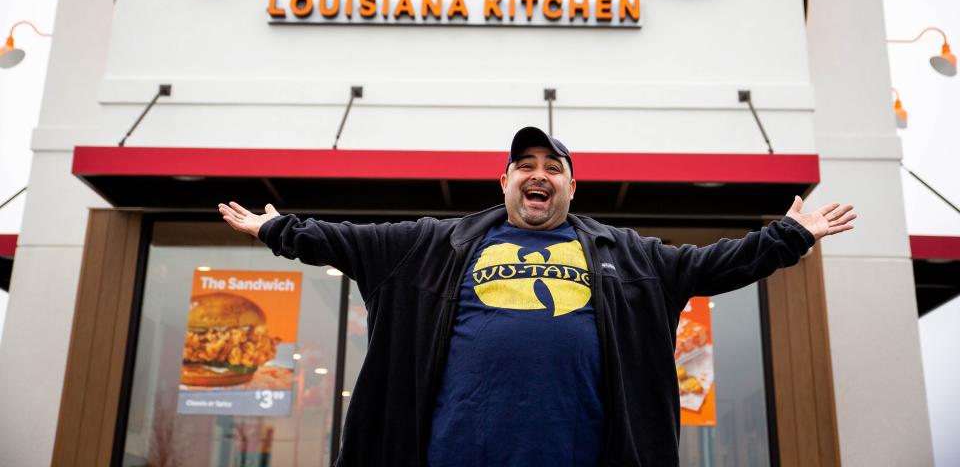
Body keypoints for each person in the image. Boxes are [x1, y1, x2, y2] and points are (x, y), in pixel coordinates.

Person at [219, 126, 855, 467]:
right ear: (505, 181)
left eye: (553, 167)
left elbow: (715, 264)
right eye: (526, 164)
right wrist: (280, 230)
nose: (538, 174)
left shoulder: (625, 254)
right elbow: (348, 241)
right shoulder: (433, 244)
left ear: (572, 187)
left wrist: (787, 236)